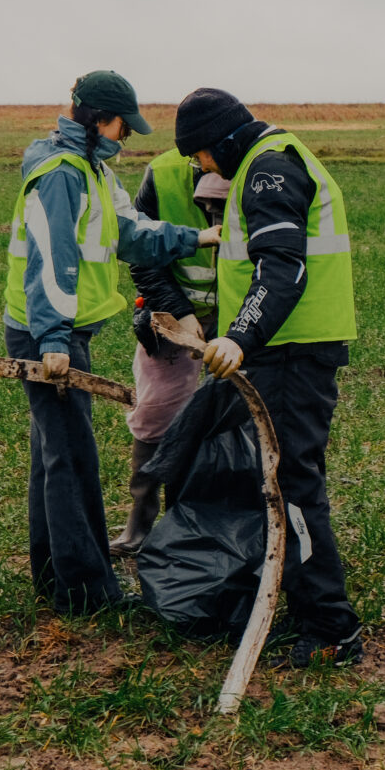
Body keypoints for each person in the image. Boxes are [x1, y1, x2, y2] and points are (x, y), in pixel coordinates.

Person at [3, 70, 221, 615]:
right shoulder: (61, 173)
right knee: (73, 459)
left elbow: (131, 233)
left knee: (54, 456)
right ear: (100, 118)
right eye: (125, 127)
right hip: (47, 333)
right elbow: (50, 261)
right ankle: (87, 594)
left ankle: (56, 578)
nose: (126, 138)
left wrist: (197, 236)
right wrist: (52, 337)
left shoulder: (93, 172)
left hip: (63, 330)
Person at [173, 87, 363, 668]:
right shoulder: (269, 161)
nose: (201, 168)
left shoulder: (267, 172)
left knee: (293, 487)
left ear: (222, 142)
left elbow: (282, 268)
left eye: (200, 155)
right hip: (284, 351)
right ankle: (290, 604)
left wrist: (240, 336)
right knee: (281, 483)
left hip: (290, 354)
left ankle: (332, 630)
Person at [109, 152, 230, 556]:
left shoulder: (258, 172)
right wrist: (180, 313)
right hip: (171, 317)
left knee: (222, 421)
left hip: (238, 323)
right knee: (156, 414)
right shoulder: (162, 175)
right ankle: (139, 524)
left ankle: (188, 524)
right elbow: (142, 254)